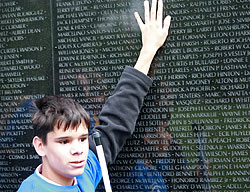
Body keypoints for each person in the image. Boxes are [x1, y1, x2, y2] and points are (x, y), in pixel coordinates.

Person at [17, 0, 171, 191]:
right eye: (64, 141)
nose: (78, 151)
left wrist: (148, 50)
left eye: (82, 139)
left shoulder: (84, 173)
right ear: (40, 146)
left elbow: (116, 121)